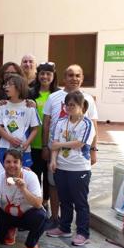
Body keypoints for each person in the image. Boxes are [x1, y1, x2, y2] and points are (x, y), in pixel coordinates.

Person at [42, 64, 98, 224]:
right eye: (70, 75)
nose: (74, 78)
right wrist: (47, 147)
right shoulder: (53, 97)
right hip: (56, 154)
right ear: (64, 78)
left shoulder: (88, 100)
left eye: (77, 75)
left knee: (77, 194)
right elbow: (46, 124)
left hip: (77, 158)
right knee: (55, 186)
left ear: (81, 78)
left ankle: (80, 228)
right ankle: (55, 218)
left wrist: (94, 149)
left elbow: (94, 125)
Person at [46, 91, 96, 246]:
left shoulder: (86, 124)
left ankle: (83, 233)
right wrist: (53, 160)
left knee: (80, 202)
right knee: (65, 201)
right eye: (67, 105)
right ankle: (64, 227)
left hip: (79, 168)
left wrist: (59, 145)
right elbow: (54, 143)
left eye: (73, 105)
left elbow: (80, 143)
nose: (69, 107)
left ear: (82, 106)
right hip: (62, 167)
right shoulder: (61, 122)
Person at [0, 148, 46, 248]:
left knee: (41, 216)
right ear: (3, 163)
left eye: (15, 162)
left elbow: (38, 204)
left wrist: (24, 189)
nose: (12, 165)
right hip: (7, 215)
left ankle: (31, 244)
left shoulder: (30, 176)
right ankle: (8, 230)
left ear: (21, 163)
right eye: (8, 162)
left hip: (25, 215)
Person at [29, 62, 59, 211]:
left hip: (51, 144)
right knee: (34, 175)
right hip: (32, 142)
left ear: (53, 76)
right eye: (42, 73)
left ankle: (46, 203)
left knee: (49, 178)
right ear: (38, 75)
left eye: (48, 74)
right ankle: (35, 203)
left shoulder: (58, 95)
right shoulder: (30, 93)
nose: (45, 76)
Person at [0, 74, 40, 167]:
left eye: (9, 84)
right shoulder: (2, 106)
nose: (6, 87)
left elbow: (35, 128)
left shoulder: (29, 107)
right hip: (4, 146)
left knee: (22, 175)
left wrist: (27, 143)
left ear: (19, 87)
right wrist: (10, 139)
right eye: (5, 85)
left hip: (23, 148)